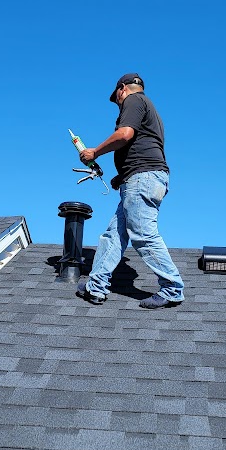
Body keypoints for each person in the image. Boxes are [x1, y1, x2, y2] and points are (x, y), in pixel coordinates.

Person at [76, 73, 185, 309]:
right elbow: (142, 148)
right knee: (114, 235)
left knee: (143, 234)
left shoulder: (134, 100)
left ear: (122, 89)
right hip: (141, 178)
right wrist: (122, 176)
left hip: (142, 179)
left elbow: (125, 134)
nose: (118, 104)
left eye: (116, 99)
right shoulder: (149, 109)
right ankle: (96, 286)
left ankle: (172, 288)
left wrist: (94, 152)